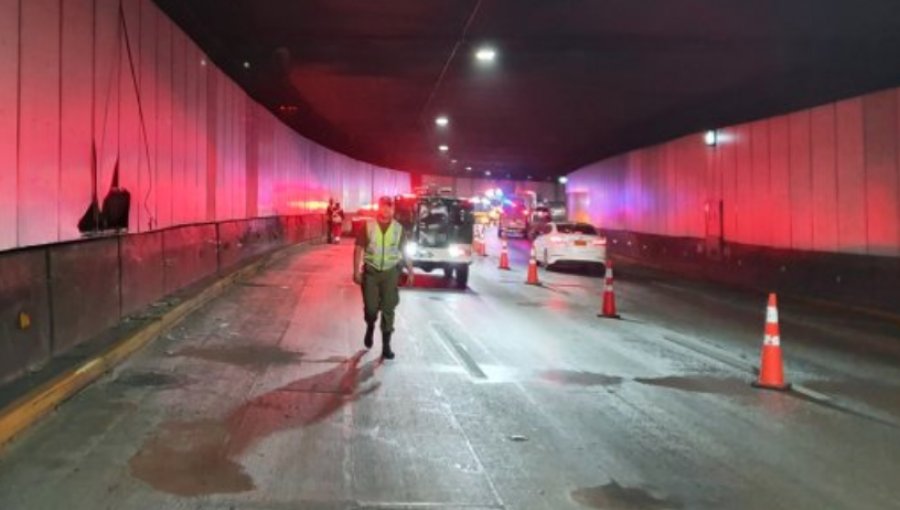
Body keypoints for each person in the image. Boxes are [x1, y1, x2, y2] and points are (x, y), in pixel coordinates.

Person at [353, 196, 414, 359]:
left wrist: (410, 270)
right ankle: (370, 325)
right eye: (383, 206)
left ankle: (386, 346)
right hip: (371, 272)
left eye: (389, 207)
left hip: (390, 272)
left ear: (393, 209)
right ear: (378, 208)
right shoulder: (368, 226)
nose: (386, 210)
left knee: (388, 308)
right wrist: (356, 271)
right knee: (371, 309)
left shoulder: (398, 229)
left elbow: (405, 250)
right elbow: (358, 248)